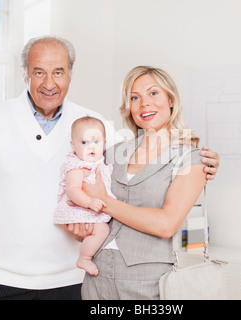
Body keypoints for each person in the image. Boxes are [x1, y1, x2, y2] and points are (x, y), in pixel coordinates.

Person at [0, 35, 220, 300]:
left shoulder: (94, 124)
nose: (49, 83)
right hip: (3, 278)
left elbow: (149, 159)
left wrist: (202, 160)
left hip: (73, 279)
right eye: (39, 72)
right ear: (26, 75)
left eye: (58, 72)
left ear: (70, 75)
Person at [79, 66, 211, 300]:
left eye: (153, 93)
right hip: (97, 277)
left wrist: (104, 201)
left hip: (149, 283)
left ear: (170, 100)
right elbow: (85, 203)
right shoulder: (112, 153)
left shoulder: (190, 158)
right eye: (134, 97)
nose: (144, 104)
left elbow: (165, 225)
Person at [54, 117, 114, 276]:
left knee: (103, 230)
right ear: (73, 146)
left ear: (105, 143)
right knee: (102, 230)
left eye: (96, 142)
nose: (91, 147)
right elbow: (73, 189)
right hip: (80, 207)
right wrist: (89, 202)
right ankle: (84, 258)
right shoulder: (76, 165)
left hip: (92, 206)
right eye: (84, 143)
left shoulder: (100, 162)